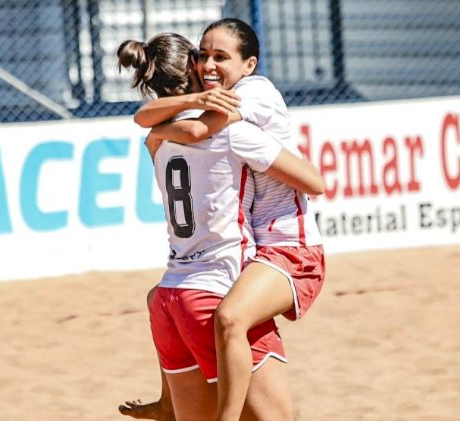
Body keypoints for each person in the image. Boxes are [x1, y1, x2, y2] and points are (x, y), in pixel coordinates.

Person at [116, 27, 324, 421]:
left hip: (170, 296)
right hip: (231, 279)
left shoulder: (159, 140)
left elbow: (150, 120)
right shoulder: (233, 131)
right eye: (203, 57)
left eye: (219, 58)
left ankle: (165, 402)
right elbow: (315, 183)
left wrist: (167, 119)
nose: (210, 66)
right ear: (192, 70)